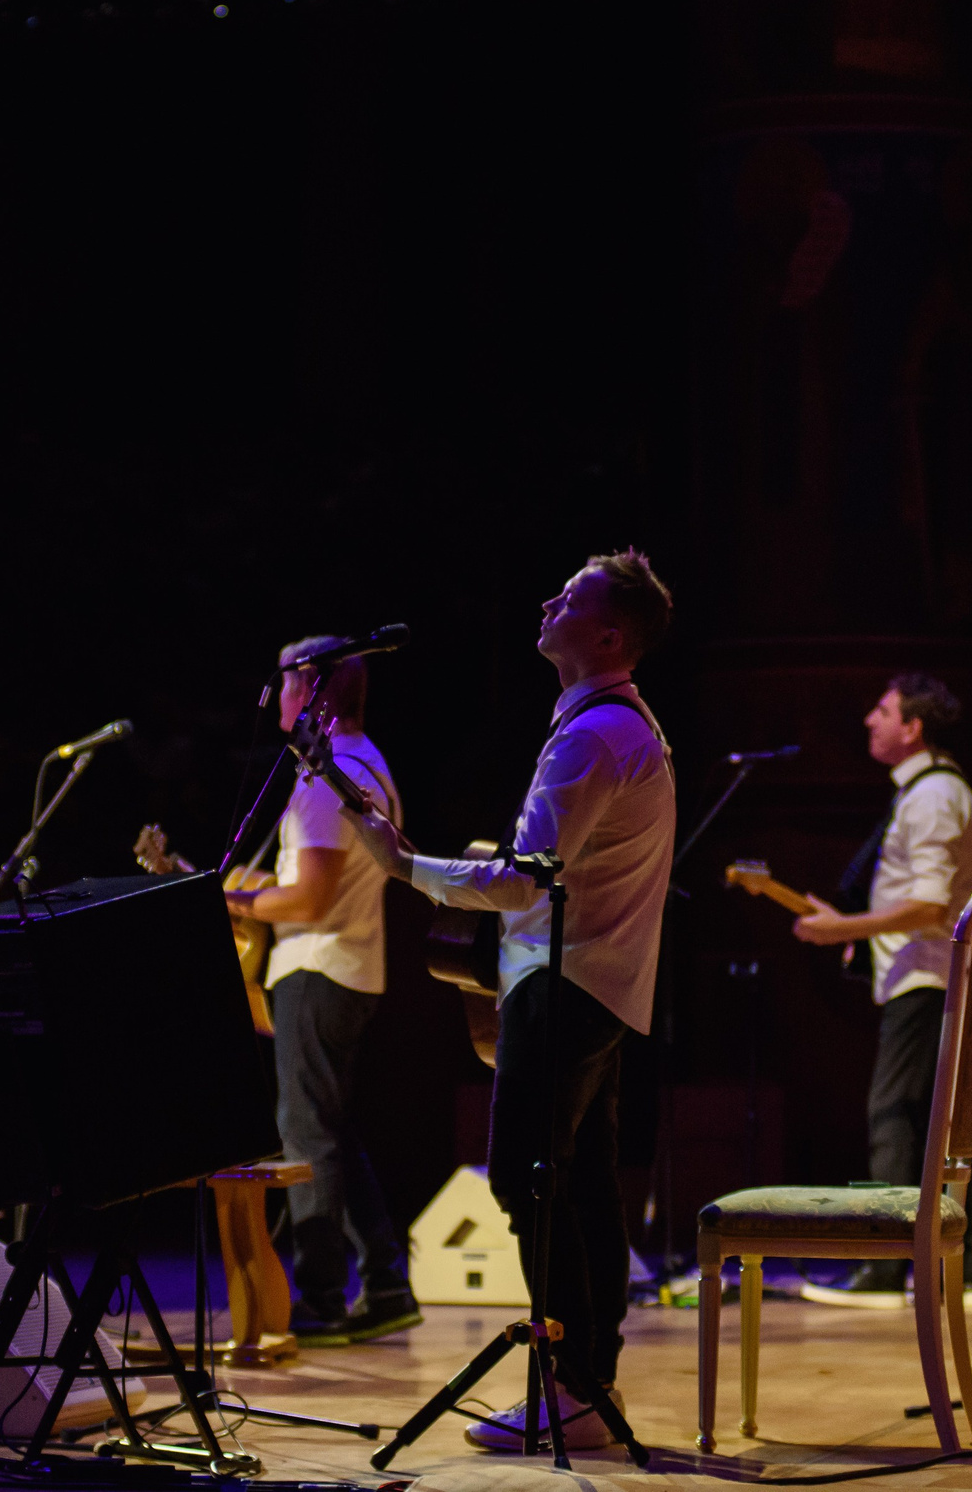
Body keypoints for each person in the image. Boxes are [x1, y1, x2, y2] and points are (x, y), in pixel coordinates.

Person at [343, 548, 675, 1452]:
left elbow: (525, 879)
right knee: (582, 1187)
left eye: (568, 597)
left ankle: (569, 1385)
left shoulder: (595, 734)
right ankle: (586, 1380)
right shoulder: (611, 724)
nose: (546, 600)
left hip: (565, 987)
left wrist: (404, 865)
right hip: (593, 985)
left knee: (532, 1183)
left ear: (607, 634)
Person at [223, 636, 419, 1344]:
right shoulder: (369, 763)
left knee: (306, 1136)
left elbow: (308, 897)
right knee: (330, 1131)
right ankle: (388, 1282)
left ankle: (322, 1297)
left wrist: (236, 903)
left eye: (281, 683)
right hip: (350, 967)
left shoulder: (324, 776)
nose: (272, 698)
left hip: (319, 968)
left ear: (311, 690)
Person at [786, 673, 972, 1308]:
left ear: (913, 728)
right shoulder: (927, 792)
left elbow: (931, 904)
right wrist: (854, 930)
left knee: (893, 1118)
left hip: (926, 981)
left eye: (882, 711)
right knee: (932, 1127)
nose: (870, 721)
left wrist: (842, 927)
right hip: (926, 978)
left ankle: (883, 1271)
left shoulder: (931, 797)